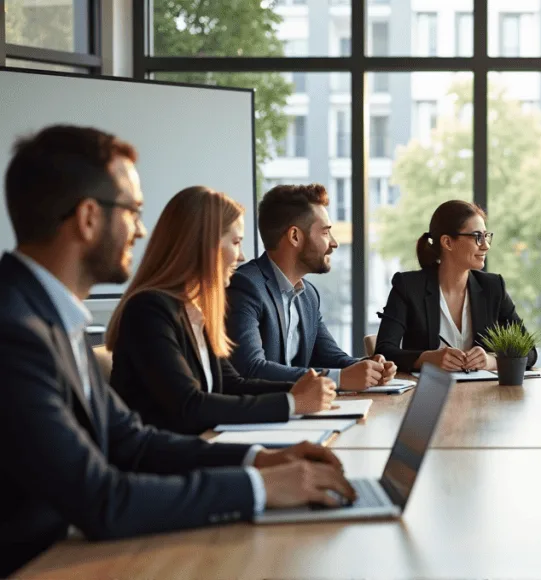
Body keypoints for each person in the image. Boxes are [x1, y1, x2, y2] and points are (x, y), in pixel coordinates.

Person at [0, 125, 353, 577]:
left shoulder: (50, 318)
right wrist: (258, 487)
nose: (142, 229)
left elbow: (132, 441)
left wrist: (261, 459)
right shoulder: (15, 331)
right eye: (133, 211)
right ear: (88, 218)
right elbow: (102, 499)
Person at [106, 186, 339, 435]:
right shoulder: (149, 311)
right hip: (166, 463)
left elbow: (231, 384)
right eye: (236, 242)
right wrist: (293, 402)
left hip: (202, 449)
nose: (241, 257)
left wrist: (300, 389)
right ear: (205, 245)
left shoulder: (195, 311)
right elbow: (191, 405)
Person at [226, 184, 395, 389]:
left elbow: (330, 357)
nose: (334, 243)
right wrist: (339, 379)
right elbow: (251, 369)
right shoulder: (246, 286)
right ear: (295, 236)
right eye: (325, 232)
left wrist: (368, 367)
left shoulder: (308, 296)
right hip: (264, 415)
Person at [375, 200, 538, 372]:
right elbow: (384, 352)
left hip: (482, 395)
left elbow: (530, 352)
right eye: (477, 237)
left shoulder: (493, 287)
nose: (486, 245)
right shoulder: (408, 287)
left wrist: (491, 361)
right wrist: (426, 358)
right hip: (427, 395)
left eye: (486, 236)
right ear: (447, 242)